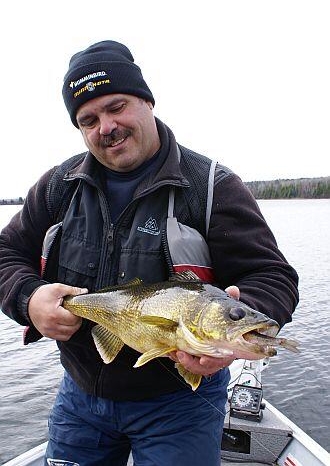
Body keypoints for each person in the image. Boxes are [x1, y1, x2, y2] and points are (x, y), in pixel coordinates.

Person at [0, 40, 299, 466]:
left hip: (181, 405)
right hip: (80, 399)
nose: (106, 126)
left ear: (146, 101)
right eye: (89, 119)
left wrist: (237, 322)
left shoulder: (211, 187)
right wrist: (29, 300)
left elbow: (272, 276)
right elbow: (5, 252)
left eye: (116, 106)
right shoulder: (57, 187)